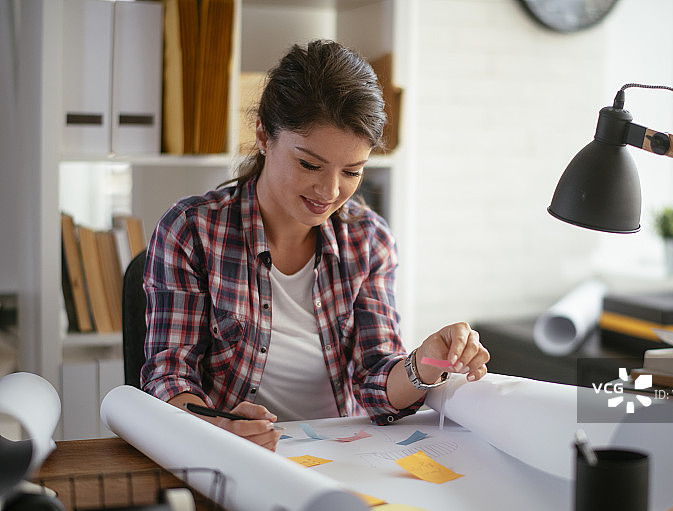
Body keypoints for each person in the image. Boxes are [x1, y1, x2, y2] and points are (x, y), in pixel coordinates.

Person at [140, 39, 490, 451]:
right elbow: (168, 376)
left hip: (334, 453)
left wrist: (428, 361)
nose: (330, 190)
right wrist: (214, 427)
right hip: (226, 454)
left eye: (352, 171)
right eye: (310, 164)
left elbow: (376, 385)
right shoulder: (192, 229)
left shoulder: (368, 239)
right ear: (264, 136)